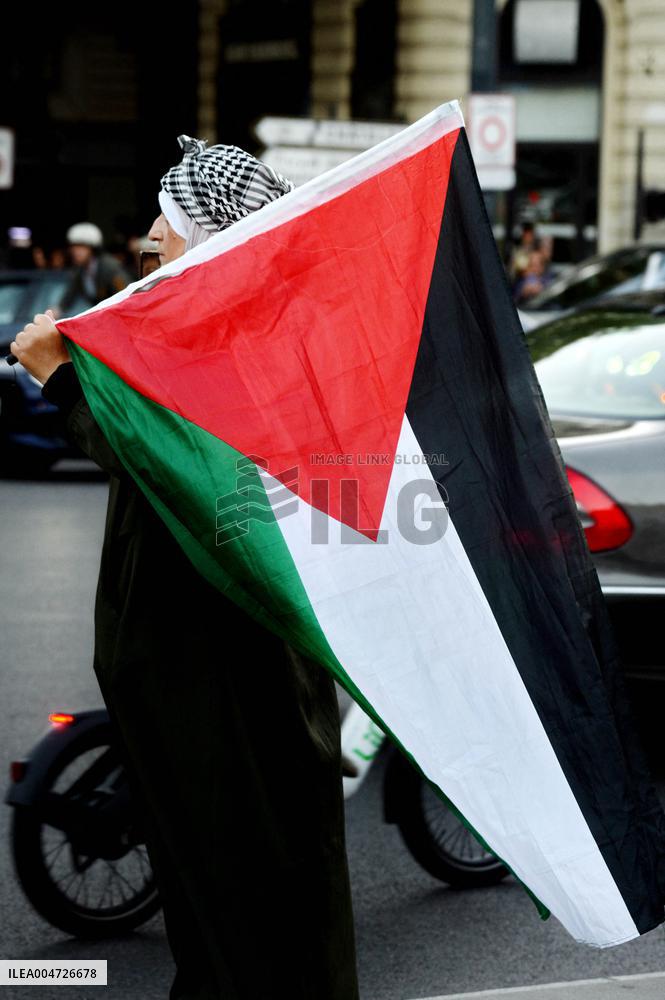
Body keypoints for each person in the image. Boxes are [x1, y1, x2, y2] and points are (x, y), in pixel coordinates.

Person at [11, 136, 360, 1000]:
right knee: (217, 913)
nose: (150, 238)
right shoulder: (195, 332)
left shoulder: (238, 347)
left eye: (166, 220)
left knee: (249, 913)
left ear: (208, 234)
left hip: (231, 686)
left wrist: (59, 382)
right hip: (198, 686)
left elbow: (180, 474)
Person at [59, 221, 131, 315]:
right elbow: (68, 298)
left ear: (93, 248)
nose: (76, 252)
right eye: (74, 247)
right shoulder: (80, 271)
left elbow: (127, 295)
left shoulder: (109, 267)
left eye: (81, 247)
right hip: (101, 318)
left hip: (118, 317)